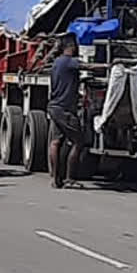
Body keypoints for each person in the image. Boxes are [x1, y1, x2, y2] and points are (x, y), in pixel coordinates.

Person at [47, 35, 101, 189]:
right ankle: (70, 178)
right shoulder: (70, 62)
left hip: (54, 106)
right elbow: (89, 67)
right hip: (66, 109)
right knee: (78, 142)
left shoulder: (56, 63)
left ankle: (56, 178)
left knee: (55, 142)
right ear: (71, 47)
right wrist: (109, 66)